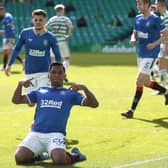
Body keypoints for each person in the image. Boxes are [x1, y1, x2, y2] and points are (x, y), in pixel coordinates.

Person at [12, 62, 99, 165]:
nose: (56, 75)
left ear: (65, 76)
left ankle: (75, 155)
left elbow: (94, 104)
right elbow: (16, 100)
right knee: (19, 158)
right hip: (35, 134)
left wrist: (85, 88)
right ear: (49, 75)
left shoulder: (70, 94)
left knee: (59, 161)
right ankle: (37, 155)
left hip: (55, 135)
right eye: (53, 72)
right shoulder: (40, 91)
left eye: (59, 72)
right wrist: (19, 85)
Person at [121, 0, 168, 118]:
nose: (138, 6)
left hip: (151, 54)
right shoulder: (137, 18)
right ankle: (165, 91)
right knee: (146, 81)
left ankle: (131, 110)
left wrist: (155, 44)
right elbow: (135, 32)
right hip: (141, 53)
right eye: (137, 4)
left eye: (140, 4)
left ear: (147, 5)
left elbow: (166, 34)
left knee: (139, 80)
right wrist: (133, 38)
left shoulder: (156, 19)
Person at [5, 9, 61, 94]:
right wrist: (9, 65)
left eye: (40, 20)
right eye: (36, 20)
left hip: (45, 73)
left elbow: (57, 56)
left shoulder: (51, 37)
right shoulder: (25, 33)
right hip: (29, 72)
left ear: (45, 21)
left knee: (42, 96)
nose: (38, 22)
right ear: (33, 20)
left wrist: (57, 72)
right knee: (30, 102)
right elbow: (17, 49)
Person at [46, 4, 73, 82]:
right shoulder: (66, 19)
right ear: (62, 10)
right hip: (62, 41)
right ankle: (62, 74)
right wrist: (68, 35)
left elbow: (45, 28)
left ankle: (51, 76)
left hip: (53, 42)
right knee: (66, 58)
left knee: (54, 60)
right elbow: (71, 27)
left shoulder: (52, 19)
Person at [0, 5, 23, 71]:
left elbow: (10, 26)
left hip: (9, 36)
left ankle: (22, 61)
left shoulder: (7, 17)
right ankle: (22, 62)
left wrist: (3, 32)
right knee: (8, 51)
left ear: (2, 11)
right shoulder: (7, 16)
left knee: (9, 51)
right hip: (8, 36)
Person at [155, 0, 168, 89]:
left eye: (156, 4)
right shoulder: (163, 15)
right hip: (164, 43)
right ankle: (163, 89)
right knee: (162, 66)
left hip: (166, 43)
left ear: (159, 4)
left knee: (163, 66)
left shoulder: (165, 16)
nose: (155, 6)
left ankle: (163, 89)